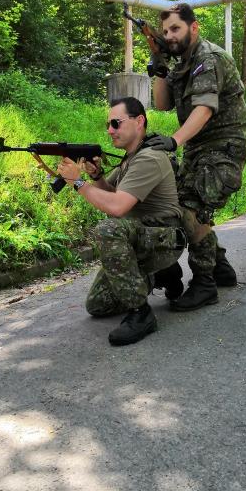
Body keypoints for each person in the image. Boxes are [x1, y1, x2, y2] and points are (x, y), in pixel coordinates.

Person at [145, 3, 246, 311]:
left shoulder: (208, 58)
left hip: (225, 145)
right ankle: (221, 267)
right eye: (165, 31)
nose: (169, 35)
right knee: (179, 203)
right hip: (198, 147)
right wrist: (159, 63)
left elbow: (204, 109)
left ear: (194, 27)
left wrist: (174, 141)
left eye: (175, 28)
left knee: (191, 208)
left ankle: (205, 283)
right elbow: (162, 104)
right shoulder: (183, 62)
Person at [57, 97, 186, 346]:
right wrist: (97, 176)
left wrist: (78, 182)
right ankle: (161, 274)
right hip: (141, 236)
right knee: (98, 305)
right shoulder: (131, 158)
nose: (110, 130)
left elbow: (117, 207)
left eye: (115, 123)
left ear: (139, 122)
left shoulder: (149, 158)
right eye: (108, 124)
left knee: (108, 229)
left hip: (163, 239)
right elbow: (112, 194)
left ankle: (141, 313)